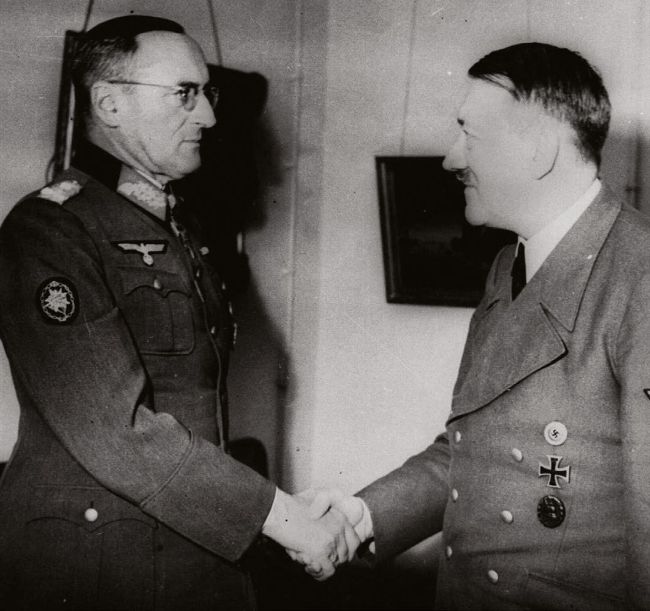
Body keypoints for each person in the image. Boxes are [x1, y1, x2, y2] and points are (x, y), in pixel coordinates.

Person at [0, 15, 357, 610]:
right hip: (99, 564)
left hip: (194, 540)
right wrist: (285, 520)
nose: (209, 116)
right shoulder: (50, 230)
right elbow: (115, 429)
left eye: (206, 92)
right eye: (185, 94)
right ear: (110, 104)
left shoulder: (179, 225)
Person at [308, 42, 650, 609]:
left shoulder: (640, 276)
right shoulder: (509, 265)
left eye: (469, 133)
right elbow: (472, 450)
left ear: (538, 150)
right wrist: (360, 517)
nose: (450, 158)